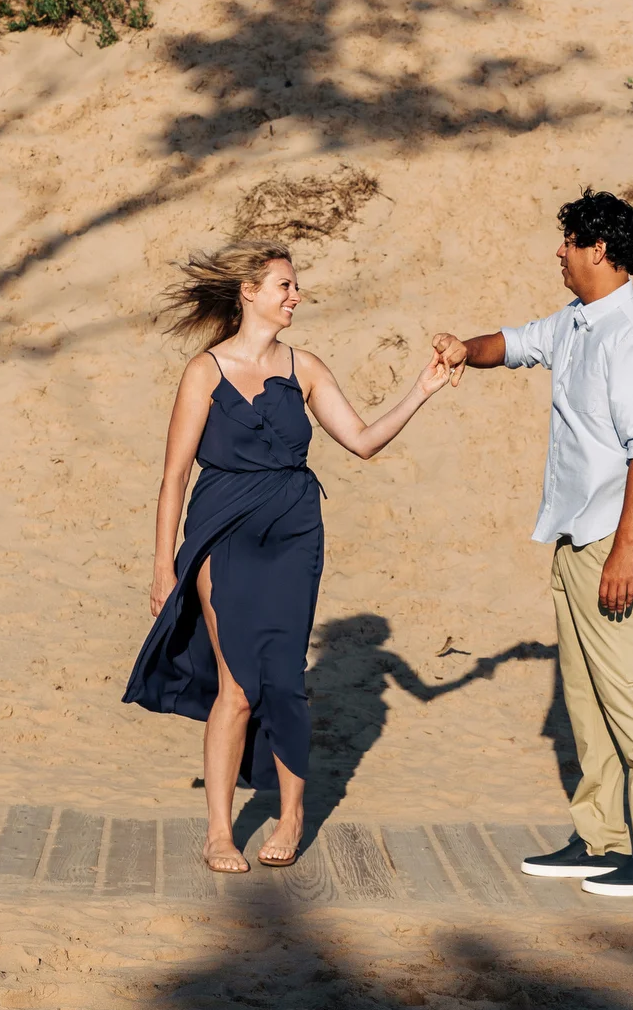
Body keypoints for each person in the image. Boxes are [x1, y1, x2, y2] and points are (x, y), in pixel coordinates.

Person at [124, 241, 452, 873]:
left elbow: (361, 441)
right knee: (238, 684)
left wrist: (422, 389)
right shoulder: (204, 372)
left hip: (295, 531)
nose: (295, 296)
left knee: (283, 678)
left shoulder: (306, 367)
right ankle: (219, 831)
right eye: (284, 286)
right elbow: (172, 478)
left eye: (295, 287)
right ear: (250, 292)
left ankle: (291, 813)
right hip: (223, 530)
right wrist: (163, 566)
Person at [432, 190, 633, 898]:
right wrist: (464, 348)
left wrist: (627, 550)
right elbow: (514, 345)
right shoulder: (579, 321)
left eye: (568, 240)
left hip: (616, 540)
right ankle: (602, 837)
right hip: (576, 537)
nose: (559, 251)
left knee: (631, 697)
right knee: (585, 697)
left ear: (598, 249)